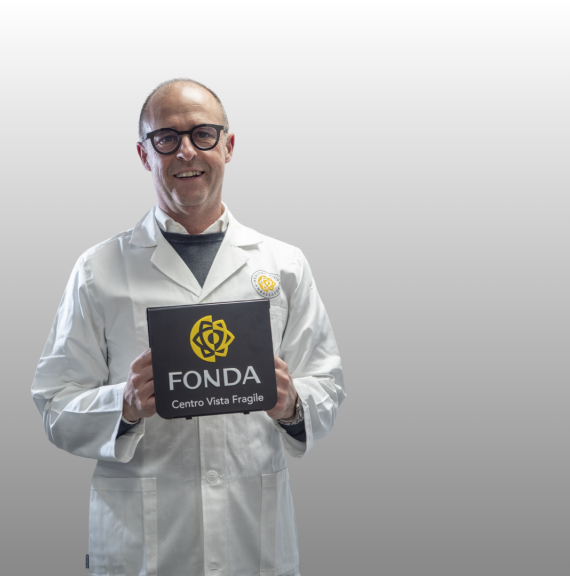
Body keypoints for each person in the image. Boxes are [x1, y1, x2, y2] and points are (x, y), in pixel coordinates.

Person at [31, 79, 345, 576]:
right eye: (166, 138)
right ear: (144, 154)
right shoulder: (98, 270)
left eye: (202, 134)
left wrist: (292, 404)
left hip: (252, 540)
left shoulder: (283, 265)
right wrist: (124, 405)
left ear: (228, 145)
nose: (186, 151)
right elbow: (54, 404)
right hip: (143, 547)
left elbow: (327, 384)